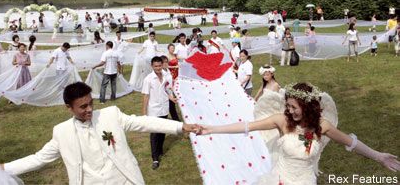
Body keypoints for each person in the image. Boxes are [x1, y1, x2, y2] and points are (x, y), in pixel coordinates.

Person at [197, 82, 400, 184]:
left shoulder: (323, 126)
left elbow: (351, 143)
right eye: (288, 106)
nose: (290, 111)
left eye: (294, 107)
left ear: (308, 106)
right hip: (280, 180)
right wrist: (212, 129)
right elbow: (247, 125)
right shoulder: (282, 121)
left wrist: (379, 156)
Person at [0, 82, 199, 184]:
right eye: (82, 107)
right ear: (69, 108)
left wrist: (179, 127)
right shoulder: (62, 132)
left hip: (124, 180)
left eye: (91, 104)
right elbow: (39, 159)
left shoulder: (111, 114)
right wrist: (2, 169)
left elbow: (141, 122)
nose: (89, 110)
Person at [142, 56, 179, 170]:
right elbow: (145, 96)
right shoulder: (148, 79)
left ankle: (160, 150)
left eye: (159, 65)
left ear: (162, 64)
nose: (158, 68)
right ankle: (155, 159)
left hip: (164, 107)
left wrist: (171, 98)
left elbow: (166, 89)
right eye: (155, 66)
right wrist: (144, 113)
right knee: (154, 134)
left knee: (162, 130)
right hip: (153, 109)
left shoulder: (166, 75)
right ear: (152, 66)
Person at [161, 55, 180, 121]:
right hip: (165, 94)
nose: (166, 63)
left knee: (172, 108)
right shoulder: (161, 73)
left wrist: (175, 82)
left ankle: (177, 121)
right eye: (164, 62)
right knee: (165, 111)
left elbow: (170, 80)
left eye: (166, 62)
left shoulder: (167, 70)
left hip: (170, 92)